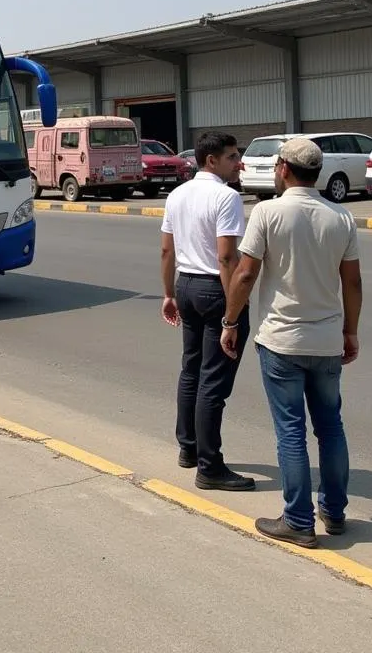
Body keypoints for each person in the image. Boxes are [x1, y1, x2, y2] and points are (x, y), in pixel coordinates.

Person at [223, 137, 362, 548]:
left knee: (291, 432)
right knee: (331, 428)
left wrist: (230, 321)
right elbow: (351, 281)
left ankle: (298, 521)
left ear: (283, 168)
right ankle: (334, 513)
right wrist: (350, 331)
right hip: (326, 341)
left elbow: (245, 275)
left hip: (281, 341)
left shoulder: (267, 212)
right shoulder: (341, 217)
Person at [160, 131, 254, 492]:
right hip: (216, 289)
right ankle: (210, 466)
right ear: (211, 160)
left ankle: (189, 447)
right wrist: (233, 313)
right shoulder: (226, 197)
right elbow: (227, 256)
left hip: (185, 285)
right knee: (213, 380)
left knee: (192, 369)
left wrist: (168, 293)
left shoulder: (177, 194)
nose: (238, 162)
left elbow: (166, 251)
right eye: (232, 157)